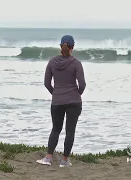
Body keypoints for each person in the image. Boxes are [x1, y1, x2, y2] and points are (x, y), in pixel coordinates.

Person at [36, 35, 86, 167]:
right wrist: (76, 94)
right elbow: (82, 84)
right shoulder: (76, 63)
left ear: (60, 46)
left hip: (57, 101)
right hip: (74, 102)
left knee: (56, 129)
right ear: (73, 46)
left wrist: (56, 93)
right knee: (70, 131)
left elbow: (47, 83)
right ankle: (64, 161)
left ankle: (48, 158)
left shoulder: (52, 62)